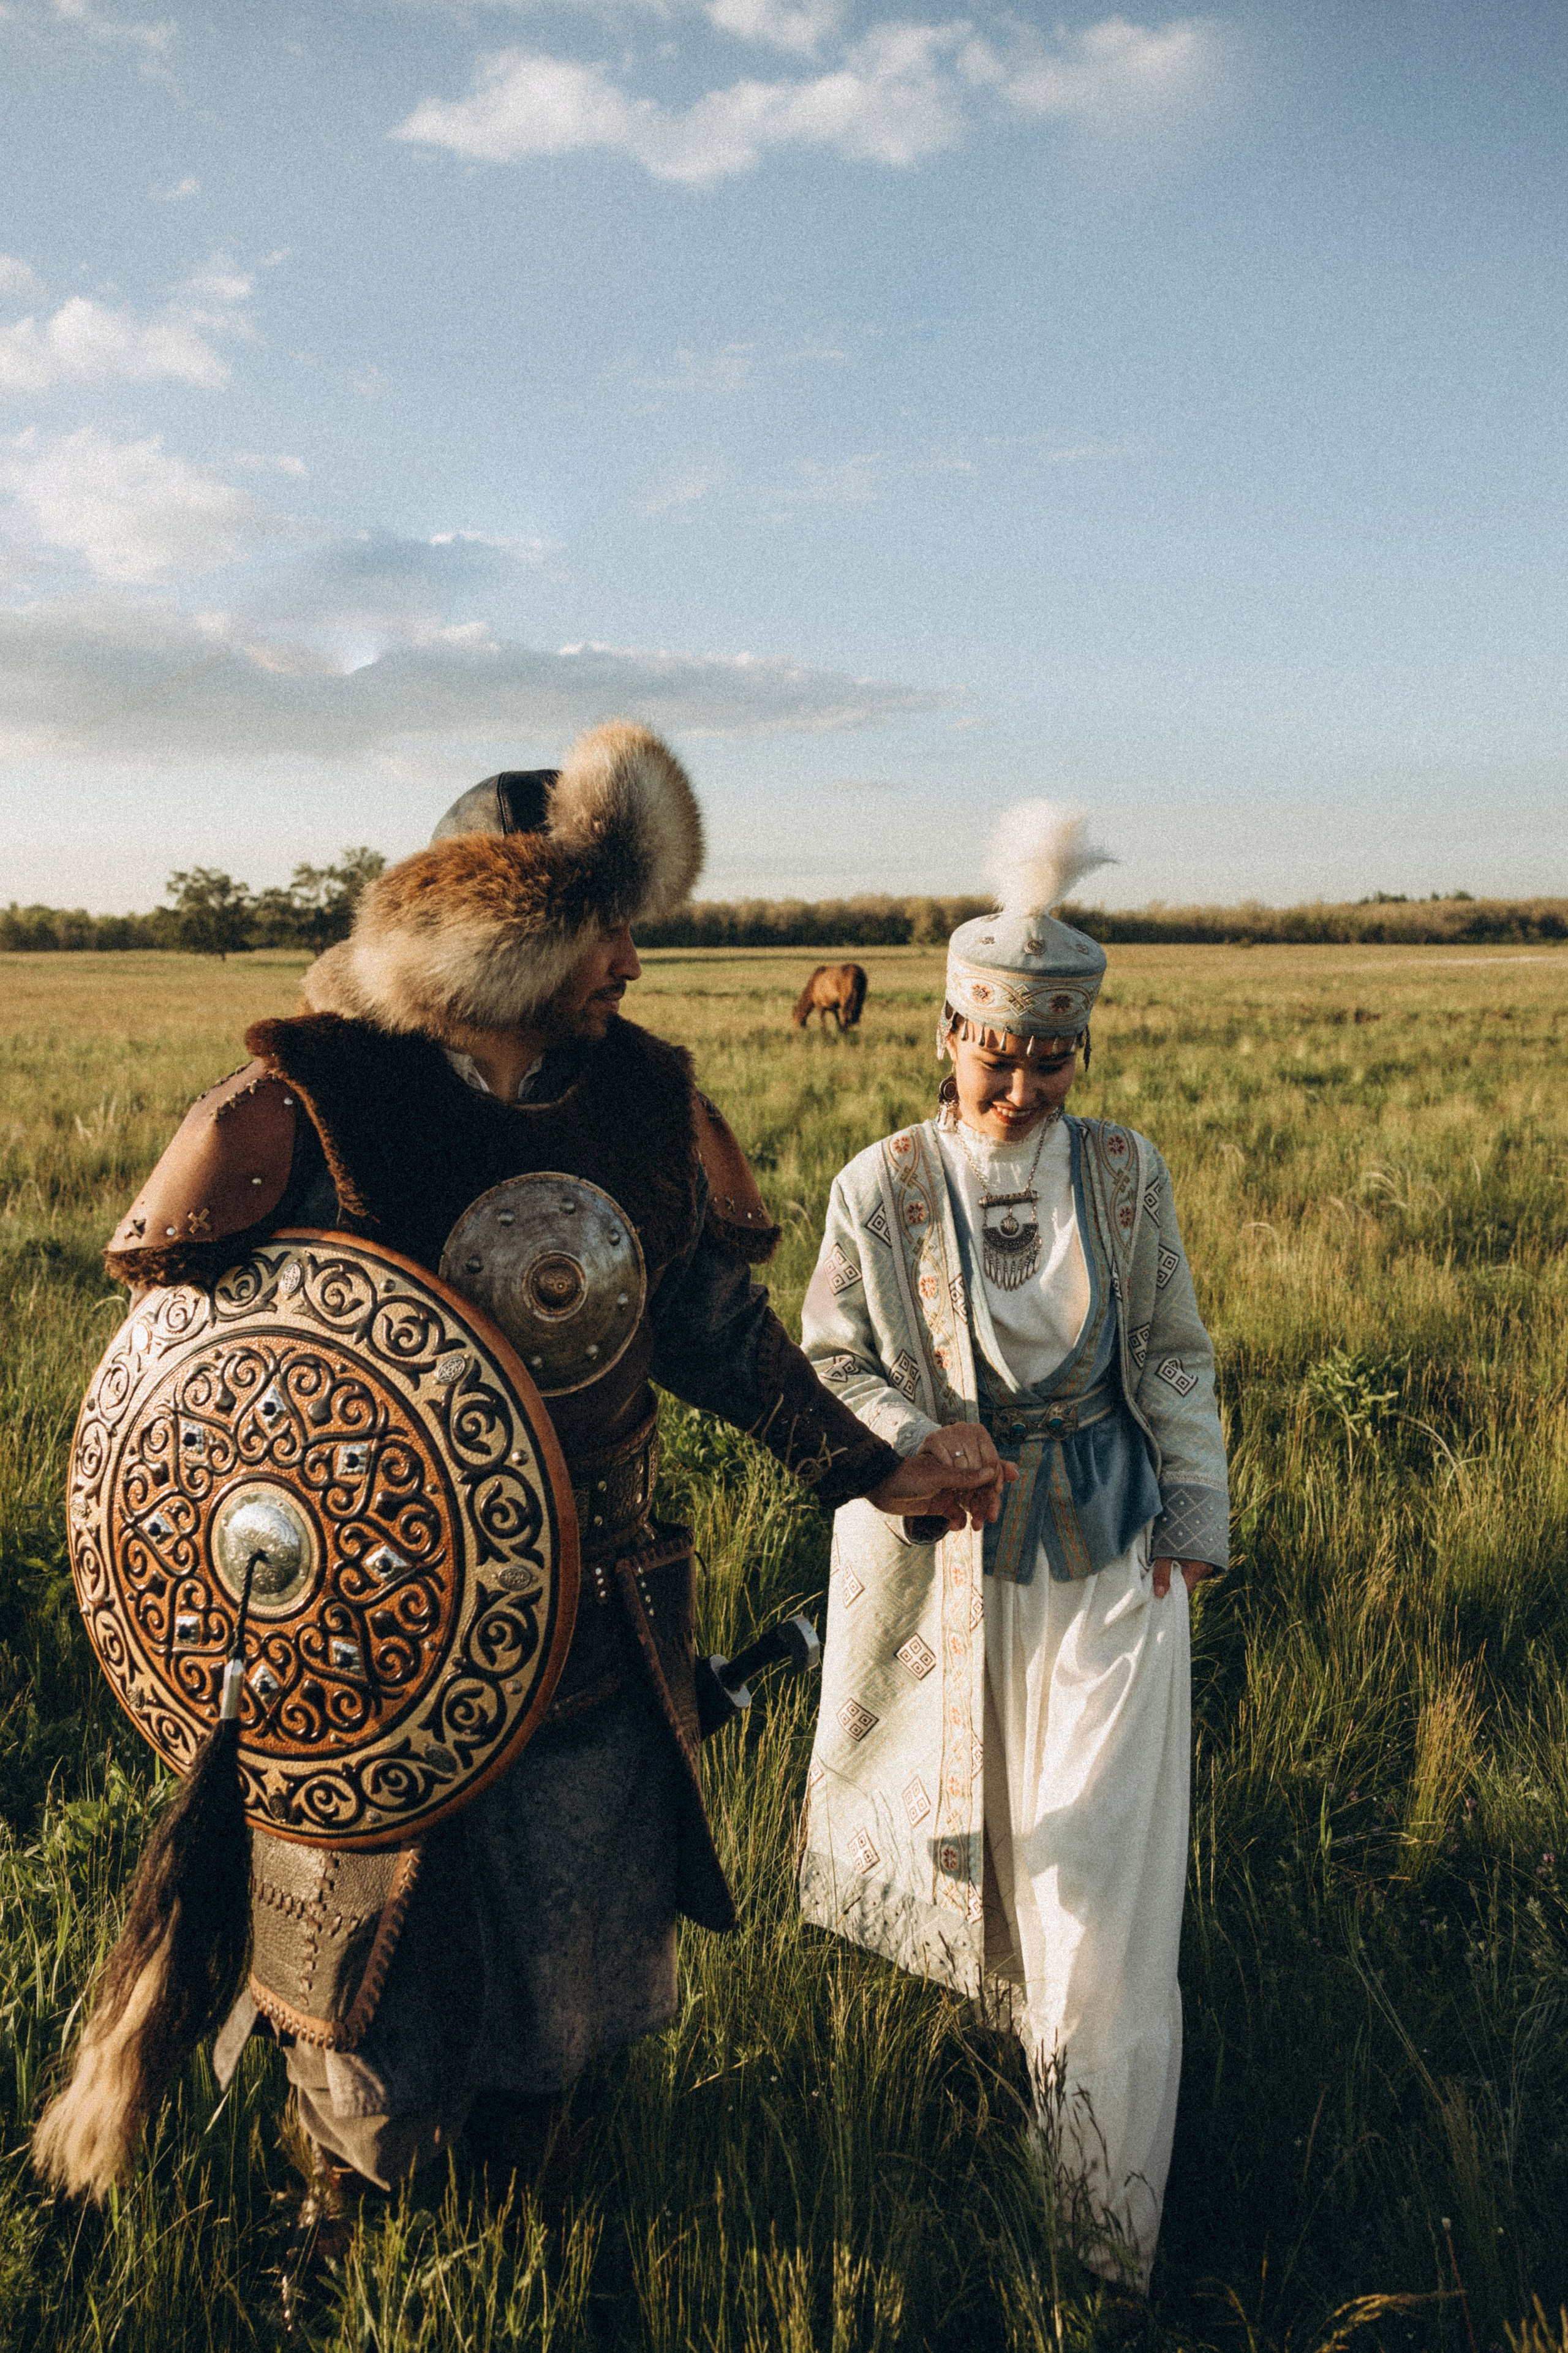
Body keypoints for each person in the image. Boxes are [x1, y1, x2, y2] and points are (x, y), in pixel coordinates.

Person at [67, 723, 1003, 2242]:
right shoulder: (309, 1106)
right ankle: (348, 2221)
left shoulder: (644, 1101)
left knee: (565, 1953)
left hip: (590, 1625)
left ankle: (532, 2213)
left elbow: (707, 1325)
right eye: (599, 925)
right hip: (358, 1633)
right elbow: (188, 1385)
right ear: (497, 938)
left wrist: (871, 1461)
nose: (633, 957)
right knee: (364, 1963)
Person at [796, 801, 1229, 2291]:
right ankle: (990, 2117)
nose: (1024, 1082)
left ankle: (1101, 2229)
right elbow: (827, 1358)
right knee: (986, 1864)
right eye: (1000, 1053)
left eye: (1053, 1057)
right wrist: (912, 1444)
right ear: (944, 1033)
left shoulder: (1123, 1173)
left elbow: (1169, 1351)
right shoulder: (876, 1186)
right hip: (948, 1578)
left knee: (1098, 1882)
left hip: (1113, 1565)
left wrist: (1191, 1511)